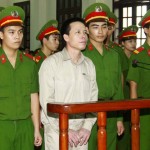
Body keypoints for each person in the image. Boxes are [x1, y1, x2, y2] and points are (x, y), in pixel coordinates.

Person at [39, 17, 98, 150]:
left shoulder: (89, 64)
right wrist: (64, 128)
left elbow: (93, 99)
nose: (83, 36)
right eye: (78, 32)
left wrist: (87, 127)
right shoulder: (51, 64)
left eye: (85, 32)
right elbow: (46, 101)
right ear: (66, 37)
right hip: (57, 131)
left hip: (81, 133)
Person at [82, 3, 124, 150]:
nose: (100, 31)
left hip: (111, 112)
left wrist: (119, 118)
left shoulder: (114, 55)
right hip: (88, 113)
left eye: (104, 26)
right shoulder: (82, 54)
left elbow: (118, 88)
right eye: (95, 26)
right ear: (86, 29)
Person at [0, 6, 42, 150]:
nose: (17, 36)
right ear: (1, 35)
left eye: (20, 32)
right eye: (11, 32)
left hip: (25, 126)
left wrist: (36, 128)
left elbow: (34, 97)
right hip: (2, 126)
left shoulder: (30, 64)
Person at [127, 10, 150, 150]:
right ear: (146, 30)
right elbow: (133, 87)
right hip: (145, 112)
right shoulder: (138, 55)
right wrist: (134, 117)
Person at [117, 25, 138, 150]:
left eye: (134, 41)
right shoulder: (119, 57)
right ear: (123, 43)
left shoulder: (136, 57)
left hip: (134, 98)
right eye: (130, 41)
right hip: (124, 100)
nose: (133, 44)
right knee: (123, 137)